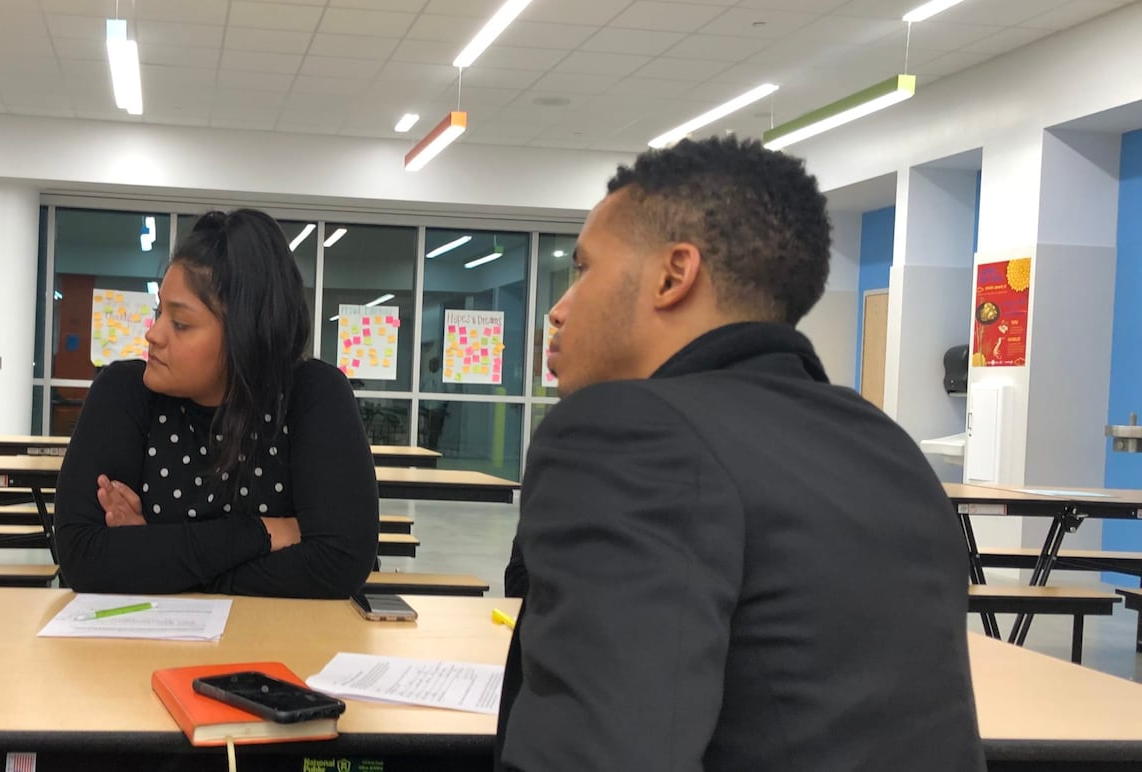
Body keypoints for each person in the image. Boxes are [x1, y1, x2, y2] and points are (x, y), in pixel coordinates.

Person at [497, 136, 984, 771]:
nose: (560, 310)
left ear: (674, 274)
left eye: (585, 269)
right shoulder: (880, 440)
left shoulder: (629, 429)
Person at [54, 210, 378, 597]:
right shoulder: (125, 392)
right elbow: (82, 559)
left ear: (246, 335)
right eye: (160, 313)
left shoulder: (313, 395)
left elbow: (338, 564)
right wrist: (261, 533)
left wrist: (157, 554)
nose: (152, 334)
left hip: (291, 646)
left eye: (180, 323)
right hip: (147, 648)